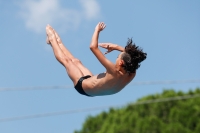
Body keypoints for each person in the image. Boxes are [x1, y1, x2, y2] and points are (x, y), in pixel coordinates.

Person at [46, 22, 147, 97]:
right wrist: (115, 47)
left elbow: (93, 47)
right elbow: (132, 59)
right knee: (76, 61)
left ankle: (52, 40)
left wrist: (97, 30)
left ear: (120, 62)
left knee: (67, 61)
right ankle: (59, 42)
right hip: (91, 83)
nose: (116, 59)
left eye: (117, 57)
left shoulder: (114, 70)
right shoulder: (131, 74)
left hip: (82, 86)